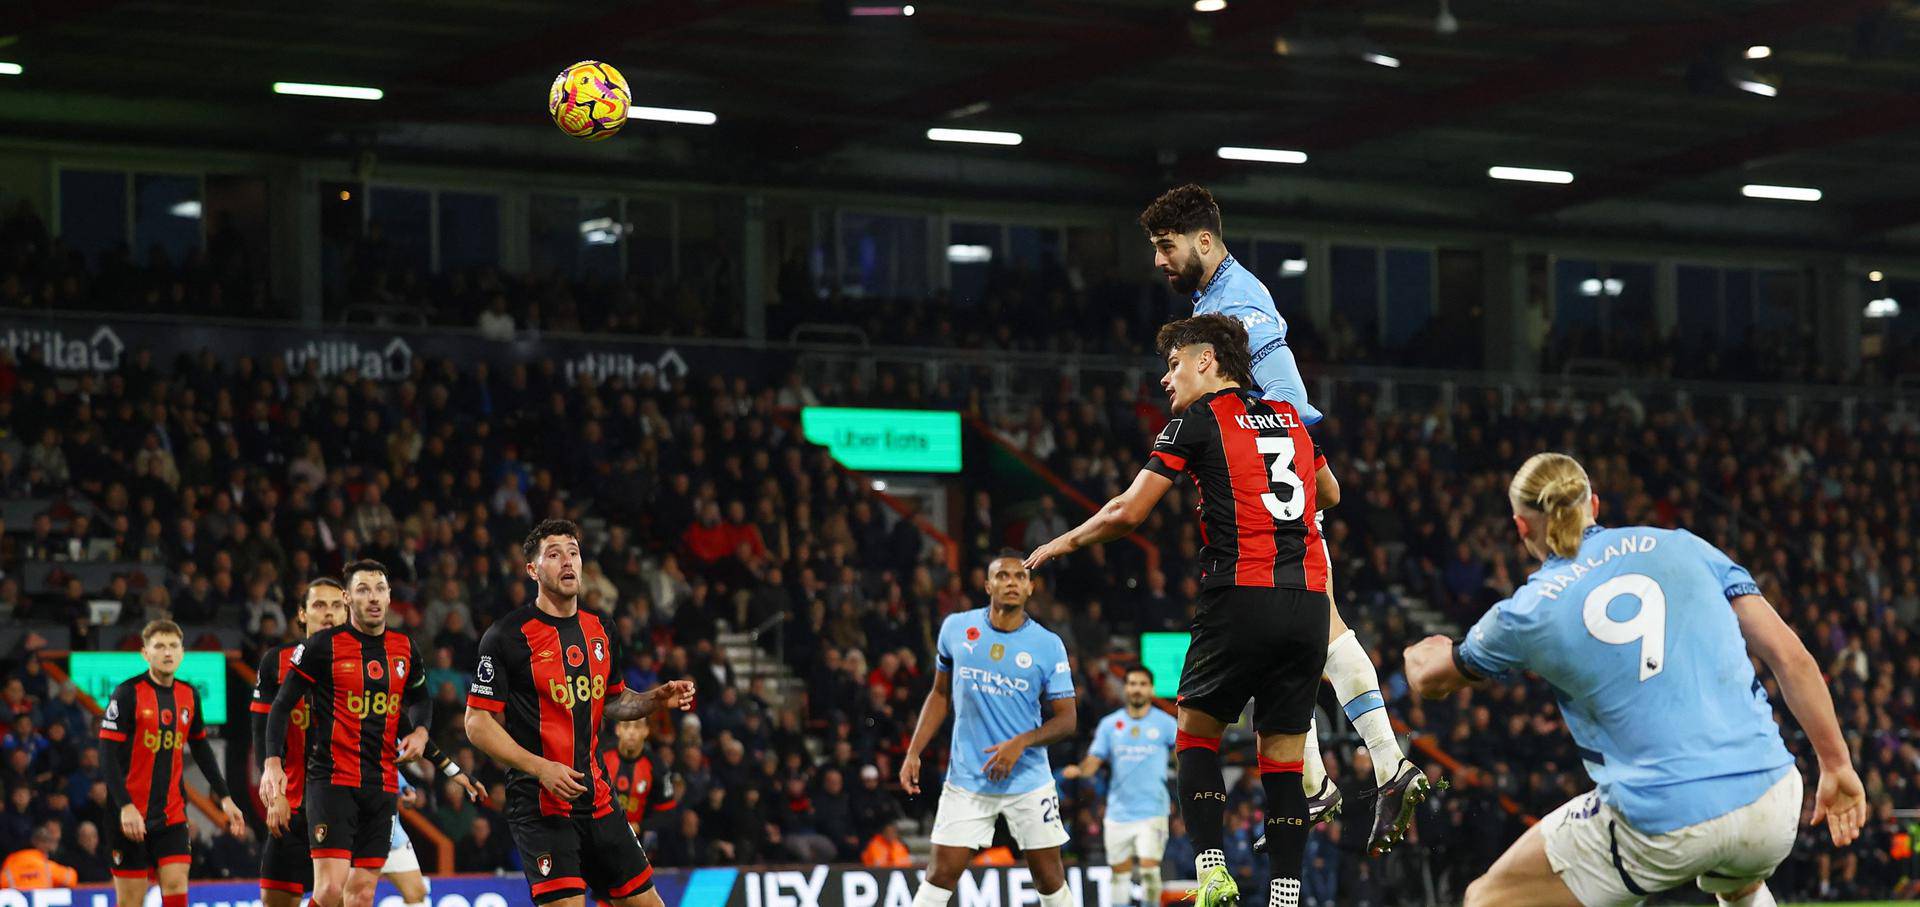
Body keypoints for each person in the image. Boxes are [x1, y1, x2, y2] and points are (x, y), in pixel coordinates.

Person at [1403, 452, 1871, 907]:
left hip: (1664, 822)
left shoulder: (1527, 612)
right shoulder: (1686, 546)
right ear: (1596, 505)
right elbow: (1792, 658)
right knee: (1737, 878)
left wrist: (1420, 654)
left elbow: (1434, 680)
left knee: (1487, 898)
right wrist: (1836, 765)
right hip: (1773, 799)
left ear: (1521, 527)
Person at [1138, 184, 1427, 855]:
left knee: (1311, 629)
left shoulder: (1236, 303)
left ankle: (1389, 764)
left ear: (1204, 241)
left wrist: (1290, 467)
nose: (1159, 260)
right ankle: (1334, 776)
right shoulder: (1214, 303)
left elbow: (1289, 399)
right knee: (1301, 635)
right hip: (1273, 484)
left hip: (1275, 487)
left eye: (1166, 245)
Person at [1026, 314, 1329, 907]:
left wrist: (1061, 542)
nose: (1166, 379)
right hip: (1310, 603)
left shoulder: (1196, 420)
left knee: (1195, 736)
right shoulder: (1291, 417)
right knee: (1285, 757)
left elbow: (1127, 514)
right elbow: (1332, 493)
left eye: (1173, 364)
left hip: (1240, 596)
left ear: (1206, 361)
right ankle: (1287, 898)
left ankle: (1213, 873)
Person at [464, 520, 694, 907]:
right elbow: (477, 723)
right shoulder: (507, 636)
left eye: (573, 552)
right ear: (533, 570)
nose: (567, 561)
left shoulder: (601, 628)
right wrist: (541, 768)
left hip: (598, 797)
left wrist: (655, 699)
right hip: (541, 803)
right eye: (553, 554)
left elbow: (614, 701)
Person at [899, 552, 1077, 907]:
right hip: (968, 777)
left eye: (1019, 577)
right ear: (987, 585)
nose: (1011, 582)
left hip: (1028, 779)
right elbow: (939, 693)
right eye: (1003, 576)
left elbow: (1066, 721)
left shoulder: (1047, 645)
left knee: (1049, 878)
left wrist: (1020, 743)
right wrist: (913, 751)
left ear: (1030, 588)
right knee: (940, 874)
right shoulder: (955, 629)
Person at [261, 560, 431, 907]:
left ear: (389, 596)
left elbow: (420, 697)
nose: (373, 597)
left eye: (380, 589)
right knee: (329, 891)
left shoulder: (404, 648)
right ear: (348, 598)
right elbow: (280, 706)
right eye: (363, 589)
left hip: (381, 784)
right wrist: (272, 762)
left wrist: (422, 732)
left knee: (362, 893)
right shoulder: (322, 647)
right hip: (331, 780)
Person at [99, 620, 248, 907]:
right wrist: (125, 806)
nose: (167, 652)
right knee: (130, 901)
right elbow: (106, 755)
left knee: (177, 887)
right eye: (159, 646)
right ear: (145, 653)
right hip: (130, 816)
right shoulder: (127, 693)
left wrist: (226, 797)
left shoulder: (189, 694)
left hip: (172, 815)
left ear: (182, 652)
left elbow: (201, 747)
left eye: (173, 646)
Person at [253, 577, 349, 907]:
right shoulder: (275, 663)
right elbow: (262, 732)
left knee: (335, 896)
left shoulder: (361, 663)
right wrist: (274, 797)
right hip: (289, 805)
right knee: (274, 900)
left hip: (340, 806)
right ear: (302, 614)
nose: (329, 614)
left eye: (337, 606)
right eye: (319, 605)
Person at [1062, 665, 1177, 907]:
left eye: (1142, 684)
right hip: (1118, 812)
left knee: (1148, 871)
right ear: (1126, 688)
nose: (1137, 689)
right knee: (1119, 875)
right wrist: (1080, 770)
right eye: (1133, 684)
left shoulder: (1166, 724)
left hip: (1153, 810)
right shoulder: (1109, 725)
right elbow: (1095, 759)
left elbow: (1182, 757)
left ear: (1151, 689)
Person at [601, 718, 677, 837]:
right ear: (617, 729)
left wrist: (641, 826)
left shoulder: (657, 767)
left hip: (635, 841)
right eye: (626, 726)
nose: (631, 732)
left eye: (637, 726)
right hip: (598, 834)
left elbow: (668, 812)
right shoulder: (600, 757)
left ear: (646, 731)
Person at [2, 823, 76, 889]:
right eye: (45, 841)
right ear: (35, 842)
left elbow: (2, 882)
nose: (48, 846)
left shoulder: (10, 862)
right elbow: (71, 878)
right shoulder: (46, 866)